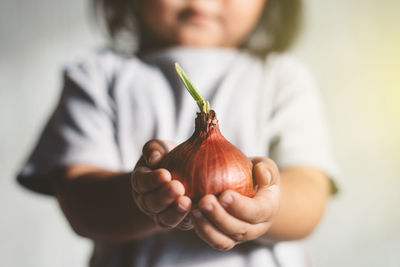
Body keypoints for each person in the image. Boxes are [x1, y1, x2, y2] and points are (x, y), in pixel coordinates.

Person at [17, 0, 338, 266]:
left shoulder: (282, 78)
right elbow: (80, 200)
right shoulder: (95, 76)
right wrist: (145, 194)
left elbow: (311, 191)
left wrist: (267, 207)